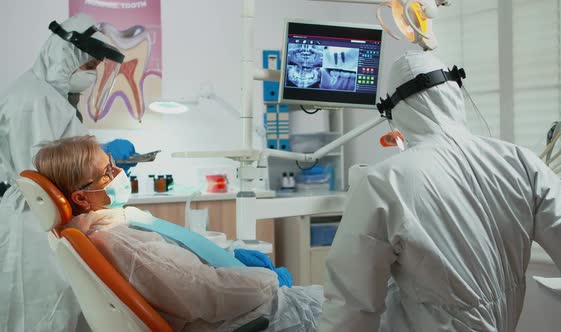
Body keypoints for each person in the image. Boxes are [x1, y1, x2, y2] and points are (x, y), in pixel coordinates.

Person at [319, 50, 561, 332]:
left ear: (396, 112)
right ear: (455, 91)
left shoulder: (384, 183)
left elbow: (350, 308)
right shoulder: (521, 161)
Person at [33, 135, 324, 332]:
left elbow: (184, 277)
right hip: (263, 316)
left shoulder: (104, 229)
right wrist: (271, 279)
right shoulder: (120, 240)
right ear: (81, 198)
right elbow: (213, 292)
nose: (119, 172)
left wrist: (226, 260)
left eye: (113, 162)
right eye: (108, 171)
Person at [0, 14, 134, 331]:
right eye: (87, 68)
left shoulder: (45, 95)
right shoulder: (36, 99)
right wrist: (102, 160)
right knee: (39, 310)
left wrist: (100, 159)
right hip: (35, 222)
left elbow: (59, 151)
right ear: (65, 55)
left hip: (43, 218)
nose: (90, 77)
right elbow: (47, 166)